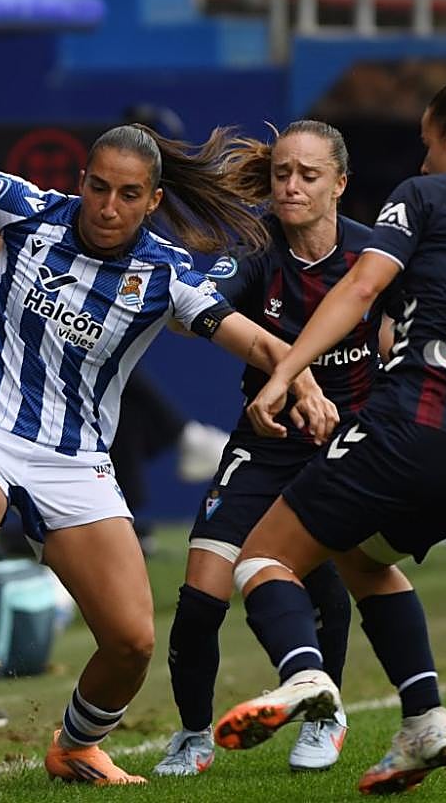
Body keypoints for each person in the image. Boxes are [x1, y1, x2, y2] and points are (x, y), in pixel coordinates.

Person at [0, 104, 340, 787]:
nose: (108, 206)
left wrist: (301, 379)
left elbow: (254, 339)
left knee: (131, 640)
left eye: (128, 194)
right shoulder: (28, 210)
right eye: (98, 187)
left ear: (152, 201)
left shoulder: (165, 275)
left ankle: (75, 745)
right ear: (82, 180)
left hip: (75, 458)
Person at [212, 65, 446, 795]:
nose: (422, 159)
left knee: (263, 557)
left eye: (427, 143)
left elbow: (360, 286)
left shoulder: (425, 195)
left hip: (410, 423)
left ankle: (304, 677)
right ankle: (424, 718)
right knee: (362, 561)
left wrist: (285, 371)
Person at [154, 120, 381, 777]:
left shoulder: (373, 257)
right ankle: (192, 735)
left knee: (323, 582)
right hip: (266, 441)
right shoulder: (256, 251)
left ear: (340, 183)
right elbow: (195, 311)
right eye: (282, 173)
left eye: (309, 175)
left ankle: (324, 716)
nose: (291, 186)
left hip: (341, 445)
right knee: (199, 596)